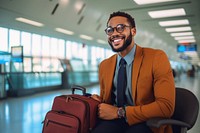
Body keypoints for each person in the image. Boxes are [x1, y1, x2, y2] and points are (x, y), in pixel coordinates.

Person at [91, 11, 175, 133]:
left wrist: (120, 112)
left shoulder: (156, 57)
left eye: (120, 28)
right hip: (113, 121)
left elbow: (165, 107)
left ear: (133, 31)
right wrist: (99, 101)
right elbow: (108, 101)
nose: (114, 33)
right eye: (110, 30)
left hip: (146, 122)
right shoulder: (105, 65)